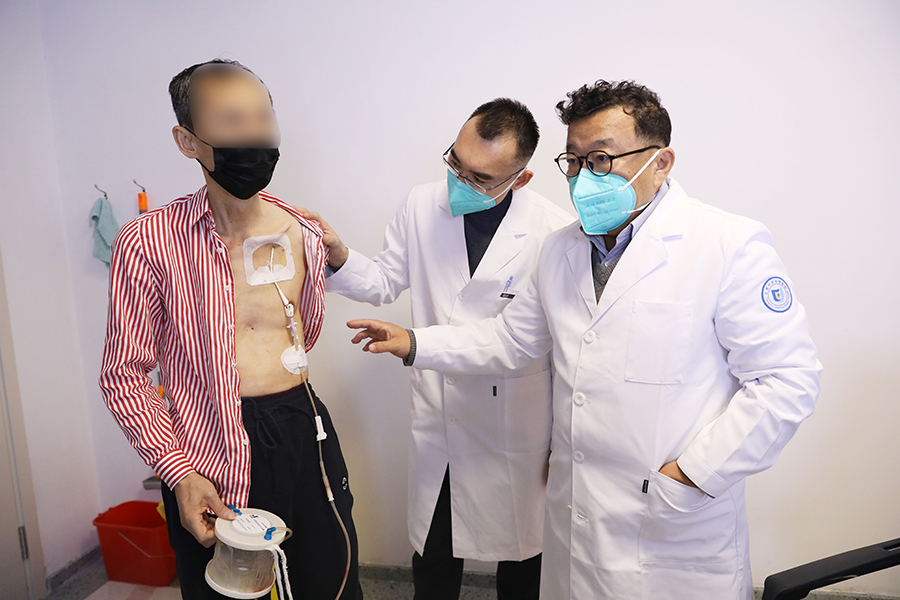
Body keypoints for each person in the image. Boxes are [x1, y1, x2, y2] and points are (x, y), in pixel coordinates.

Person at [344, 80, 822, 600]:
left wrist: (692, 474)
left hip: (671, 521)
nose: (582, 177)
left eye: (601, 160)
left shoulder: (727, 245)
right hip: (577, 516)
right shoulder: (560, 250)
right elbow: (511, 340)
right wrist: (415, 343)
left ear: (661, 162)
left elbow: (787, 381)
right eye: (573, 161)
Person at [99, 59, 362, 600]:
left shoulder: (304, 232)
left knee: (330, 578)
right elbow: (123, 374)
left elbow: (307, 331)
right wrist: (178, 470)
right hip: (206, 444)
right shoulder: (148, 241)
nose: (255, 135)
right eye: (233, 121)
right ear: (188, 141)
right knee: (225, 591)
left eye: (263, 118)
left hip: (301, 424)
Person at [301, 98, 571, 600]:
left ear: (521, 179)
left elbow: (522, 340)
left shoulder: (553, 232)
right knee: (434, 552)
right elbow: (384, 280)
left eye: (480, 178)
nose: (459, 182)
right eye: (455, 163)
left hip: (515, 419)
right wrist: (339, 256)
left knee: (524, 556)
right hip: (440, 412)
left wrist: (414, 342)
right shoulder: (421, 205)